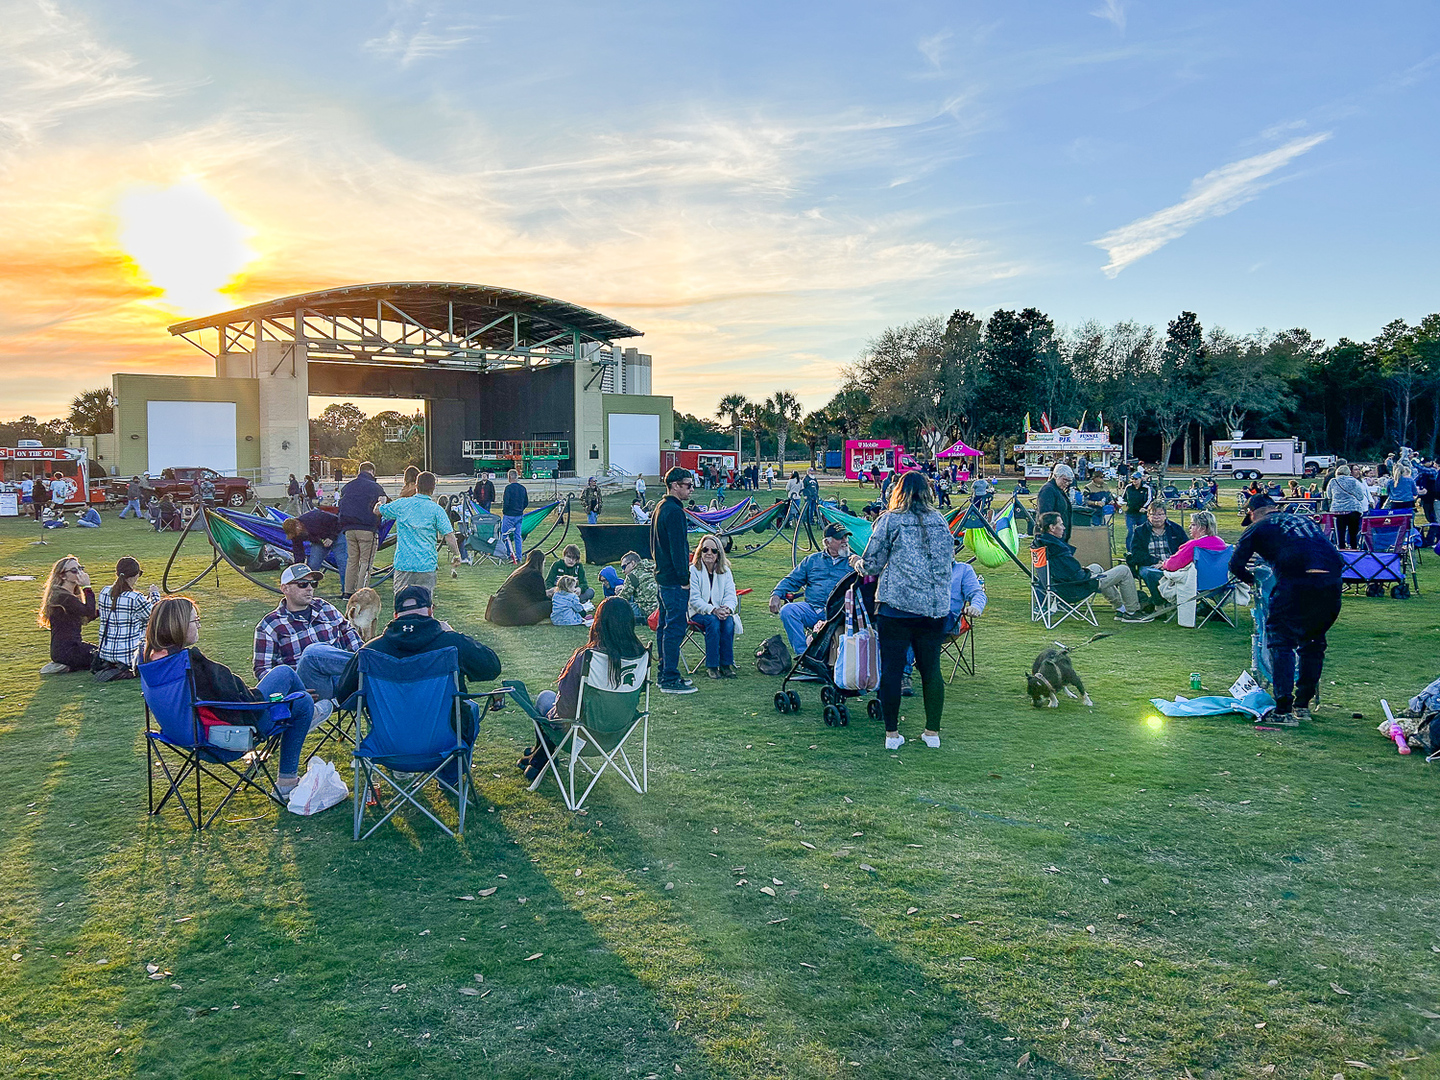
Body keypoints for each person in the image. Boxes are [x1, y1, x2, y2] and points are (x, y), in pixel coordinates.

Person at [141, 596, 317, 795]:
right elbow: (235, 703)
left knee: (287, 684)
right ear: (178, 625)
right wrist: (263, 698)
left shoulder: (151, 660)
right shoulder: (188, 664)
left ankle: (310, 713)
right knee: (299, 697)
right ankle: (288, 780)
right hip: (224, 740)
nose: (198, 625)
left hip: (180, 735)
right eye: (195, 620)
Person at [849, 470, 952, 750]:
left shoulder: (890, 521)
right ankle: (932, 732)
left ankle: (892, 734)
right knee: (931, 671)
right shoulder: (940, 521)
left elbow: (871, 563)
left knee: (892, 670)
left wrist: (855, 561)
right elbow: (949, 561)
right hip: (933, 608)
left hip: (897, 606)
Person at [1229, 495, 1343, 725]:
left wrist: (1251, 580)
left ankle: (1283, 710)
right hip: (1331, 582)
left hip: (1296, 580)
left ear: (1252, 512)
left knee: (1281, 641)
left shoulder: (1257, 527)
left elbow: (1235, 565)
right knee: (1313, 643)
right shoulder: (1305, 521)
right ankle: (1303, 705)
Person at [516, 596, 648, 780]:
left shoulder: (589, 657)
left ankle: (540, 759)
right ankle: (539, 757)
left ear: (599, 622)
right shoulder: (641, 657)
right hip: (617, 734)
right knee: (566, 713)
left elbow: (564, 709)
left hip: (580, 735)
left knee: (546, 699)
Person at [254, 563, 362, 708]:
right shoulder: (270, 624)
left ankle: (370, 664)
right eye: (303, 584)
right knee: (312, 654)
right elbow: (263, 669)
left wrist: (362, 653)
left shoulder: (325, 608)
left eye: (313, 583)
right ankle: (372, 664)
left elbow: (351, 636)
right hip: (308, 690)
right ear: (285, 588)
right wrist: (292, 691)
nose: (310, 588)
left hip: (345, 682)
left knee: (370, 657)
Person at [1034, 511, 1143, 618]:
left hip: (1055, 586)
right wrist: (1087, 574)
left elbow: (1066, 571)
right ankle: (1132, 612)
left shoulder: (1041, 545)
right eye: (1061, 524)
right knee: (1124, 570)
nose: (1064, 527)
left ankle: (1120, 608)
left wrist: (1086, 572)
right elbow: (1075, 574)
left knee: (1096, 567)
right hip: (1073, 588)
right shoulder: (1057, 549)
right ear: (1052, 528)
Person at [768, 523, 855, 653]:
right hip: (813, 609)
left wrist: (860, 565)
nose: (845, 541)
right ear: (827, 542)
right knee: (788, 610)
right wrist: (775, 594)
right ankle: (803, 656)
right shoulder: (812, 560)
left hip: (840, 613)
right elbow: (792, 579)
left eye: (846, 537)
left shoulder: (854, 562)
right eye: (840, 538)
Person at [651, 466, 696, 694]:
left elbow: (653, 545)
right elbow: (679, 549)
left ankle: (664, 673)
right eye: (688, 485)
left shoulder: (660, 507)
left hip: (662, 577)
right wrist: (684, 579)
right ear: (675, 485)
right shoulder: (675, 511)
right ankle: (669, 677)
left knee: (664, 627)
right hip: (673, 580)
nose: (691, 489)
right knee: (674, 628)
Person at [381, 471, 462, 596]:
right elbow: (449, 535)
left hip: (404, 564)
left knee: (401, 603)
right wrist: (457, 555)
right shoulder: (436, 510)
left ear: (416, 486)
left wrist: (378, 504)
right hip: (426, 566)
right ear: (433, 488)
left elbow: (380, 510)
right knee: (424, 604)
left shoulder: (402, 504)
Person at [96, 556, 158, 680]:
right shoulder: (134, 598)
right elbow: (156, 616)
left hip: (106, 653)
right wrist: (155, 595)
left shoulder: (104, 592)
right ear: (135, 575)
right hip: (129, 656)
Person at [688, 535, 741, 679]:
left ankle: (726, 665)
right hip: (697, 612)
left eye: (713, 550)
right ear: (700, 552)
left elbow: (731, 595)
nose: (709, 553)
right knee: (712, 621)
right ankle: (712, 666)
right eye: (705, 550)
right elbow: (694, 599)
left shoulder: (725, 571)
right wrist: (713, 610)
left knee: (729, 621)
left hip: (719, 611)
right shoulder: (693, 571)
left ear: (719, 553)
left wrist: (727, 609)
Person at [39, 555, 98, 672]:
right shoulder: (62, 597)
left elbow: (85, 616)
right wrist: (87, 587)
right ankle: (65, 666)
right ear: (62, 575)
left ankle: (67, 666)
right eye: (74, 570)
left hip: (67, 649)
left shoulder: (65, 595)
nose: (79, 573)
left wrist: (106, 610)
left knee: (102, 654)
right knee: (104, 658)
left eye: (80, 568)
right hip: (68, 650)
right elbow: (88, 611)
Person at [337, 461, 386, 600]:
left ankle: (347, 591)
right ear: (372, 472)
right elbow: (382, 505)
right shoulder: (376, 487)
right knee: (366, 562)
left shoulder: (348, 486)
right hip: (367, 528)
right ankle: (361, 592)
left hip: (349, 529)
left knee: (352, 561)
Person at [1126, 502, 1188, 610]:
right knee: (1149, 573)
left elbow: (1185, 550)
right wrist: (1156, 561)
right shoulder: (1140, 531)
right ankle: (1160, 603)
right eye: (1153, 514)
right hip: (1150, 565)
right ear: (1148, 515)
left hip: (1173, 564)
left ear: (1165, 515)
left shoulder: (1176, 529)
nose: (1156, 518)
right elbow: (1136, 554)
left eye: (1160, 514)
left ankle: (1171, 602)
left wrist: (1169, 563)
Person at [486, 549, 554, 626]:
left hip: (496, 613)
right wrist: (551, 594)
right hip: (510, 617)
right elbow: (540, 598)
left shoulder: (519, 572)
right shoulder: (535, 574)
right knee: (550, 605)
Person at [283, 508, 346, 577]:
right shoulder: (295, 534)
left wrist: (331, 538)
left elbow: (337, 521)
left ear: (298, 526)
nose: (296, 536)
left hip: (337, 534)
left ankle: (347, 587)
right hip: (319, 541)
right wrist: (299, 567)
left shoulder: (314, 517)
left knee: (342, 563)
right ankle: (310, 585)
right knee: (313, 565)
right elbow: (298, 551)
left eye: (295, 533)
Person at [1325, 464, 1369, 548]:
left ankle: (1341, 549)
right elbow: (1360, 496)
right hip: (1353, 510)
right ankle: (1354, 549)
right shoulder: (1353, 481)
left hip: (1338, 510)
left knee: (1340, 533)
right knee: (1353, 534)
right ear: (1348, 472)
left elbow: (1329, 496)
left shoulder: (1333, 481)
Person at [614, 550, 658, 620]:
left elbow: (623, 597)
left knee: (618, 607)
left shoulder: (632, 575)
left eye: (624, 567)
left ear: (632, 563)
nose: (623, 571)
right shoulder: (653, 567)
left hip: (649, 610)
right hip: (661, 608)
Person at [1036, 464, 1075, 542]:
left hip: (1058, 535)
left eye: (1069, 481)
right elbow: (1045, 515)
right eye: (1065, 480)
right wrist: (1052, 533)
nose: (1067, 483)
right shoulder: (1048, 490)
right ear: (1056, 476)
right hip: (1050, 537)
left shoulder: (1058, 490)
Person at [499, 469, 529, 562]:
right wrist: (521, 509)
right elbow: (526, 502)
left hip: (509, 515)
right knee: (518, 536)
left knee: (504, 535)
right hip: (519, 515)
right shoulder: (522, 488)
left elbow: (506, 502)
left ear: (509, 477)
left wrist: (505, 511)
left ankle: (509, 554)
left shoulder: (508, 488)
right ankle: (519, 556)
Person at [1120, 473, 1151, 548]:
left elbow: (1149, 499)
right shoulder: (1128, 487)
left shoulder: (1146, 488)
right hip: (1130, 513)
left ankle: (1143, 549)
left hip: (1141, 514)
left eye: (1136, 479)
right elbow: (1123, 498)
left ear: (1141, 479)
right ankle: (1130, 551)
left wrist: (1144, 507)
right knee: (1131, 532)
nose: (1134, 481)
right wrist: (1122, 505)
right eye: (1133, 479)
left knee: (1142, 532)